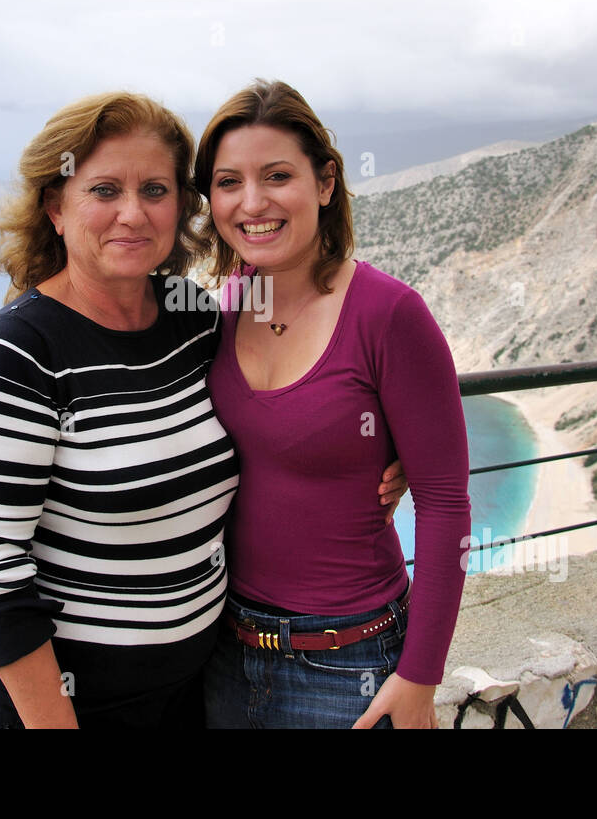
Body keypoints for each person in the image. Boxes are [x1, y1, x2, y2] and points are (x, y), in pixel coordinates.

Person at [0, 90, 406, 728]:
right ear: (56, 206)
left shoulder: (189, 317)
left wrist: (385, 445)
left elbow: (288, 393)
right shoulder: (15, 356)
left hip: (197, 690)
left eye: (156, 190)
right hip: (68, 706)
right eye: (104, 190)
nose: (132, 214)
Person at [196, 79, 472, 729]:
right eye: (228, 181)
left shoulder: (389, 314)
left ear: (324, 182)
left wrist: (419, 677)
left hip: (350, 665)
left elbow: (445, 501)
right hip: (224, 653)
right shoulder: (224, 308)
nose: (252, 201)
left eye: (277, 175)